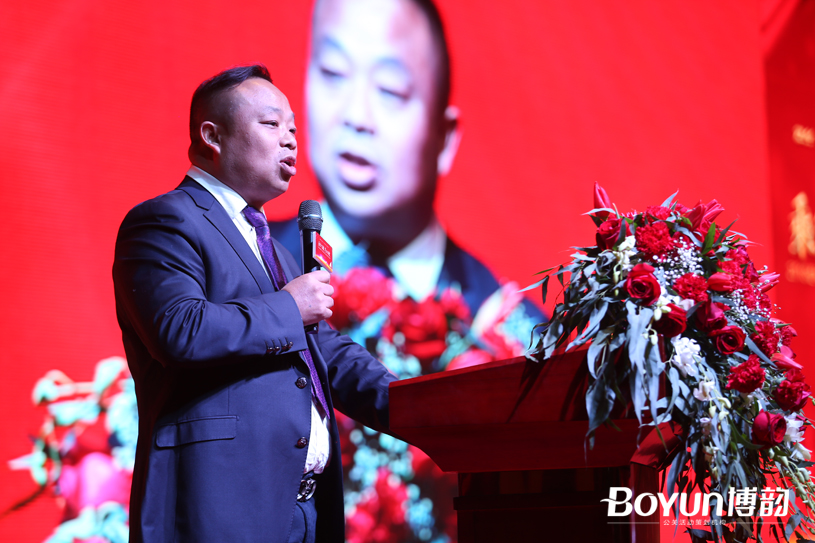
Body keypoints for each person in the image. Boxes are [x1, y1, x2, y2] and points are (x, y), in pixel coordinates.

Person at [113, 64, 397, 543]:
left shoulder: (277, 251)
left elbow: (324, 352)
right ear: (212, 136)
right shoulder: (164, 221)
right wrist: (290, 307)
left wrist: (421, 403)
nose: (290, 141)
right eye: (271, 124)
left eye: (293, 129)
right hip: (220, 508)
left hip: (304, 509)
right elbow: (180, 330)